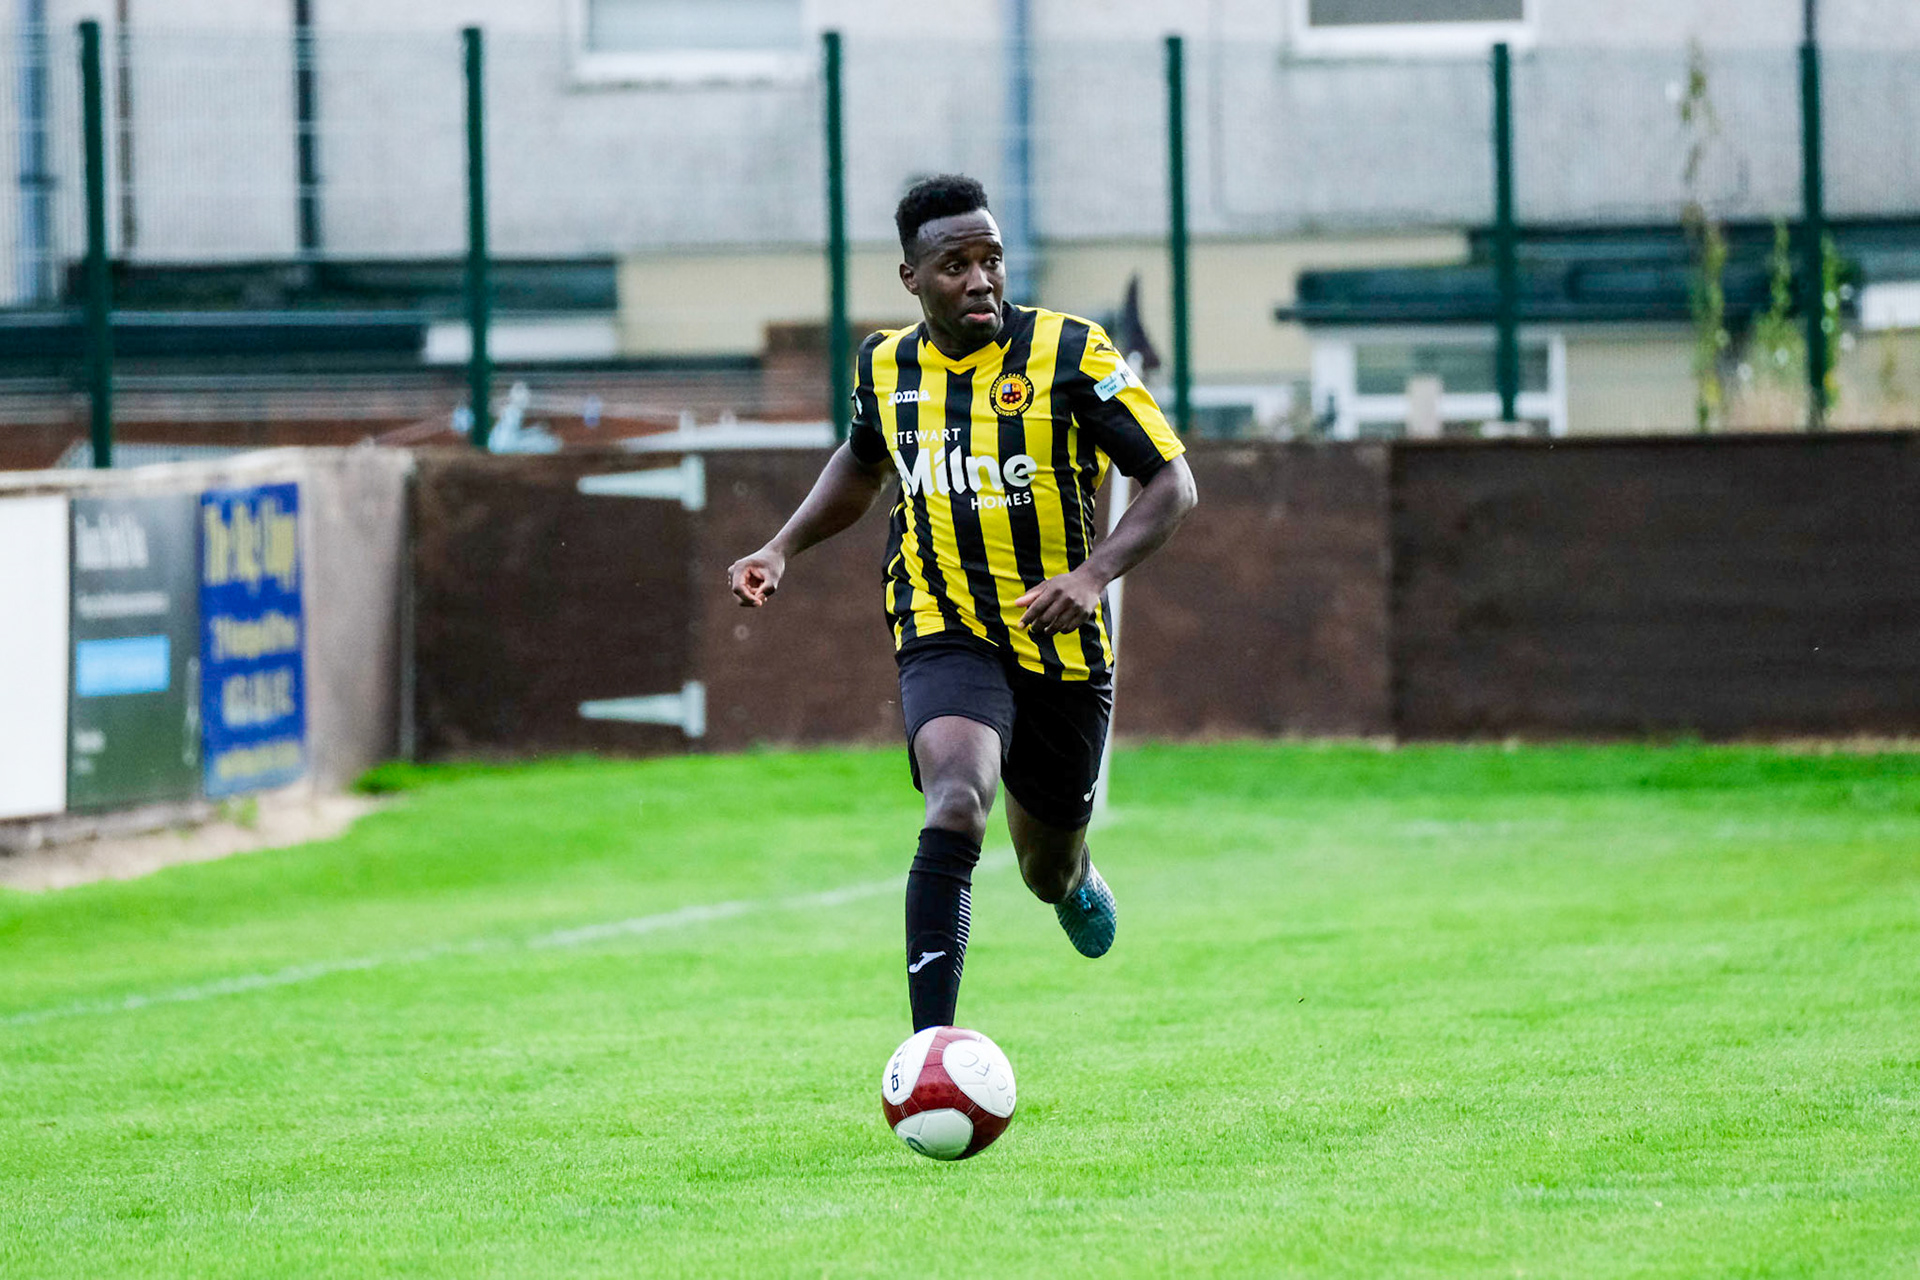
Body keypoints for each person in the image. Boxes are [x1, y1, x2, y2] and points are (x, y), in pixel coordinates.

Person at [728, 174, 1198, 1032]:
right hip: (940, 618)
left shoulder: (1072, 353)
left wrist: (1091, 577)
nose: (980, 279)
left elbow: (1171, 481)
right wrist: (780, 545)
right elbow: (863, 461)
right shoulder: (885, 364)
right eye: (956, 265)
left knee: (1043, 870)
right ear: (912, 277)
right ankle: (931, 1052)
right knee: (955, 798)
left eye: (992, 261)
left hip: (1058, 636)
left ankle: (1077, 876)